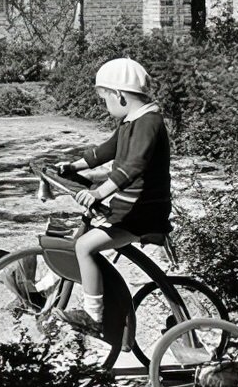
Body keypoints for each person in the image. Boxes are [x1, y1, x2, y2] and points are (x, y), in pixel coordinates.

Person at [53, 57, 172, 336]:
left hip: (142, 213)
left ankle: (95, 318)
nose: (104, 106)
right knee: (82, 236)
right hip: (129, 208)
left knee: (84, 247)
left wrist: (98, 192)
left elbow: (133, 167)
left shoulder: (148, 123)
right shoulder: (132, 121)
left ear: (119, 94)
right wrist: (74, 166)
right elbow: (107, 150)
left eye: (104, 98)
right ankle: (66, 290)